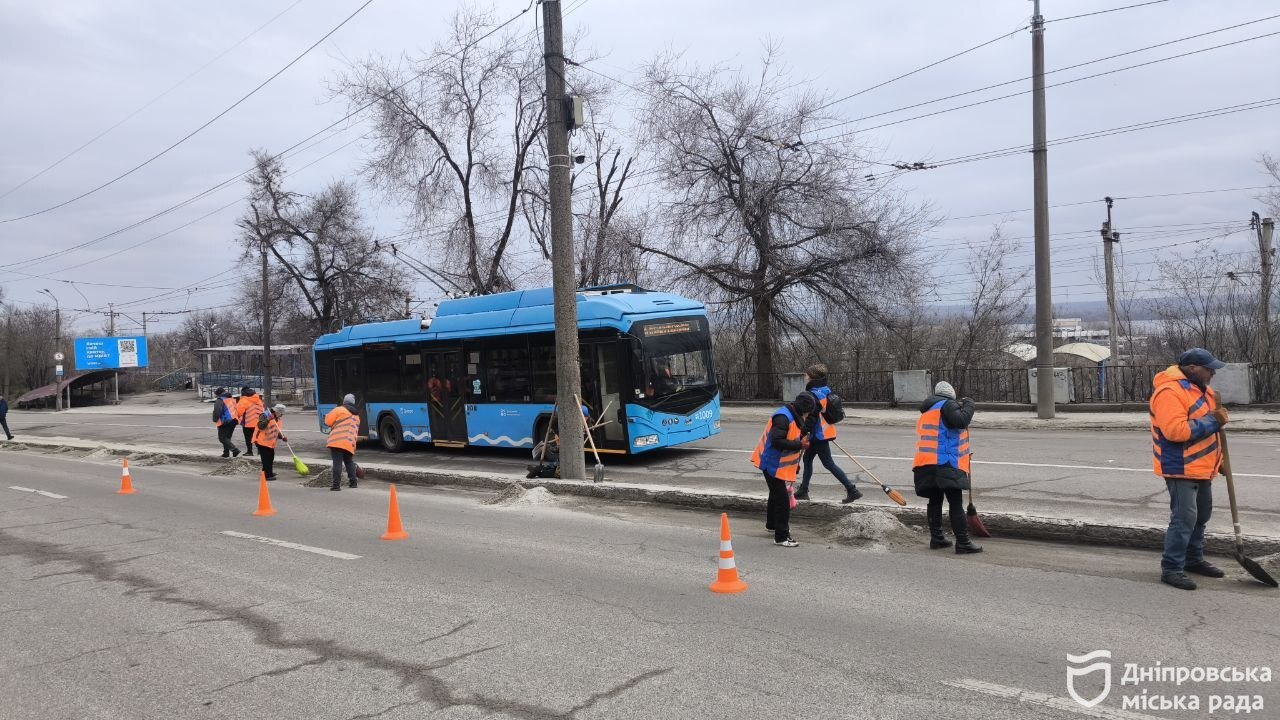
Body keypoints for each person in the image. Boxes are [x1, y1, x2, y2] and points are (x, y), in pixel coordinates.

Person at [1151, 348, 1229, 591]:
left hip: (1202, 466)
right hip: (1180, 465)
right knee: (1184, 519)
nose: (1213, 372)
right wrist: (1213, 421)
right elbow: (1176, 431)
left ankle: (1193, 560)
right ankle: (1172, 568)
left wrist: (1221, 460)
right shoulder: (1169, 391)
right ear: (1193, 368)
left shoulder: (1204, 391)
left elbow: (1211, 434)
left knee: (1201, 517)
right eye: (1209, 368)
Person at [912, 381, 980, 554]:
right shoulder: (947, 404)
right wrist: (970, 404)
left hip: (926, 462)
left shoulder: (928, 409)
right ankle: (963, 542)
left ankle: (937, 539)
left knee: (935, 500)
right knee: (955, 502)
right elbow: (961, 420)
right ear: (951, 394)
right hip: (946, 462)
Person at [750, 392, 816, 548]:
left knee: (775, 494)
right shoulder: (783, 418)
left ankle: (771, 525)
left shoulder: (791, 415)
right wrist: (800, 445)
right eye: (807, 412)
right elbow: (777, 441)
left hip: (776, 463)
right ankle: (781, 536)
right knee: (782, 500)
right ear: (802, 409)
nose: (807, 416)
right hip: (771, 463)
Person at [794, 363, 861, 503]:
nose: (805, 377)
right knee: (807, 460)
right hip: (822, 432)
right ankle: (803, 490)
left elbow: (812, 417)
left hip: (818, 434)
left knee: (828, 463)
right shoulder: (825, 390)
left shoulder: (814, 394)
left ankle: (852, 490)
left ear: (812, 378)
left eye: (807, 375)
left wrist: (802, 432)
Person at [324, 393, 360, 491]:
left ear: (344, 401)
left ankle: (336, 485)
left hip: (337, 441)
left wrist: (327, 416)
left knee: (337, 463)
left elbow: (327, 422)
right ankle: (353, 482)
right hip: (350, 443)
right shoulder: (356, 415)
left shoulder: (339, 409)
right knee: (349, 461)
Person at [254, 404, 288, 481]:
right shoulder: (264, 415)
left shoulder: (277, 419)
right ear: (277, 412)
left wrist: (282, 437)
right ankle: (267, 475)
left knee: (270, 458)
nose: (282, 415)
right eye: (281, 413)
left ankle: (267, 472)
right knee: (266, 459)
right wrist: (268, 419)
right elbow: (260, 426)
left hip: (270, 442)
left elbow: (276, 431)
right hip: (261, 441)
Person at [211, 387, 241, 458]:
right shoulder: (231, 399)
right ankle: (226, 453)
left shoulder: (220, 400)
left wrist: (215, 419)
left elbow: (217, 411)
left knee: (222, 438)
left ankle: (235, 450)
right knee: (227, 438)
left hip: (225, 421)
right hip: (233, 420)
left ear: (219, 394)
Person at [235, 387, 264, 457]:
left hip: (248, 422)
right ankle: (260, 451)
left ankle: (249, 451)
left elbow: (239, 412)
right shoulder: (258, 399)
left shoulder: (244, 400)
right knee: (257, 437)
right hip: (258, 422)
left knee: (248, 438)